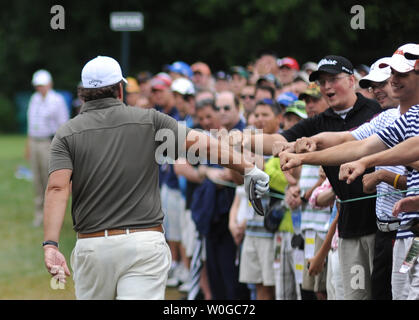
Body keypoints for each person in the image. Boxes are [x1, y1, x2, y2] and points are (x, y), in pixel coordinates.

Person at [42, 55, 270, 300]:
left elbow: (57, 188)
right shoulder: (149, 120)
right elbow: (205, 145)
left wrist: (51, 245)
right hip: (144, 243)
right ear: (120, 89)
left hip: (94, 244)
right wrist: (250, 168)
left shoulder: (67, 133)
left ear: (83, 94)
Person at [280, 44, 419, 299]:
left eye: (401, 75)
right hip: (404, 232)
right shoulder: (401, 119)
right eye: (392, 76)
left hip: (402, 230)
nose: (392, 82)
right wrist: (304, 155)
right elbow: (355, 144)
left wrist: (372, 166)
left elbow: (409, 150)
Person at [247, 55, 382, 299]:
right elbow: (280, 140)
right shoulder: (319, 121)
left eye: (333, 79)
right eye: (322, 82)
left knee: (386, 293)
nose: (327, 87)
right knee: (354, 295)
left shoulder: (375, 111)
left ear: (352, 80)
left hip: (380, 222)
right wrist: (240, 140)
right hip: (348, 227)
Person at [26, 69, 69, 227]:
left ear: (49, 84)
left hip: (48, 143)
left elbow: (62, 125)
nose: (39, 88)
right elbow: (31, 124)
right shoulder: (34, 99)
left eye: (42, 85)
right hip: (35, 141)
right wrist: (28, 145)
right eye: (37, 85)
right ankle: (39, 214)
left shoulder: (56, 100)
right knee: (37, 179)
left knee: (49, 179)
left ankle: (51, 214)